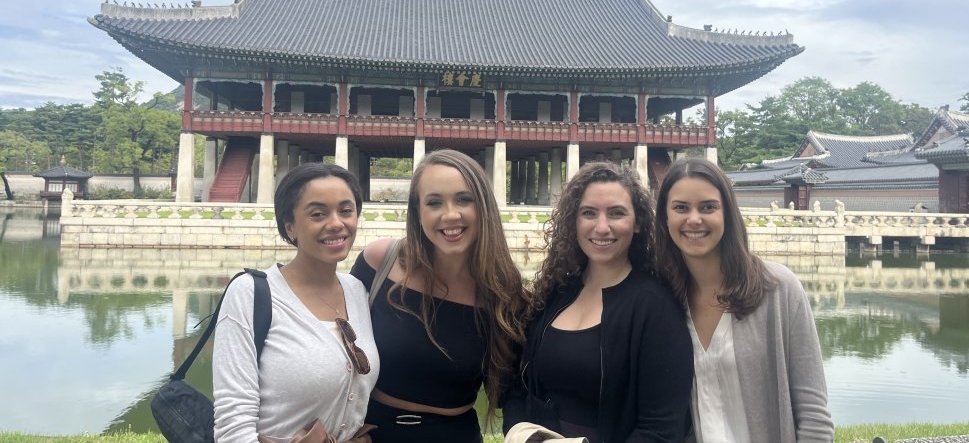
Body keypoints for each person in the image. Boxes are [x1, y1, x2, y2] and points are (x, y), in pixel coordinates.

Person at [503, 162, 693, 443]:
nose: (601, 227)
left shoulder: (654, 308)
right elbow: (518, 387)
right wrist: (522, 434)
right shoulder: (557, 292)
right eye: (589, 213)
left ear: (638, 222)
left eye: (616, 213)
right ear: (574, 221)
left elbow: (661, 429)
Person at [350, 149, 528, 442]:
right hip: (370, 433)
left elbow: (513, 392)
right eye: (434, 202)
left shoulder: (503, 293)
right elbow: (335, 346)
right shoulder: (380, 261)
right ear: (418, 212)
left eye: (464, 199)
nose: (450, 214)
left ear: (483, 206)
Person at [654, 157, 834, 442]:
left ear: (728, 213)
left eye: (708, 207)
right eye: (680, 208)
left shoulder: (779, 290)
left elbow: (814, 416)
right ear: (665, 217)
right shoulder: (665, 300)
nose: (694, 219)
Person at [214, 163, 379, 443]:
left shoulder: (357, 290)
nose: (337, 223)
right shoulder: (251, 293)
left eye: (346, 210)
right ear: (290, 227)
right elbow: (234, 422)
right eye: (318, 214)